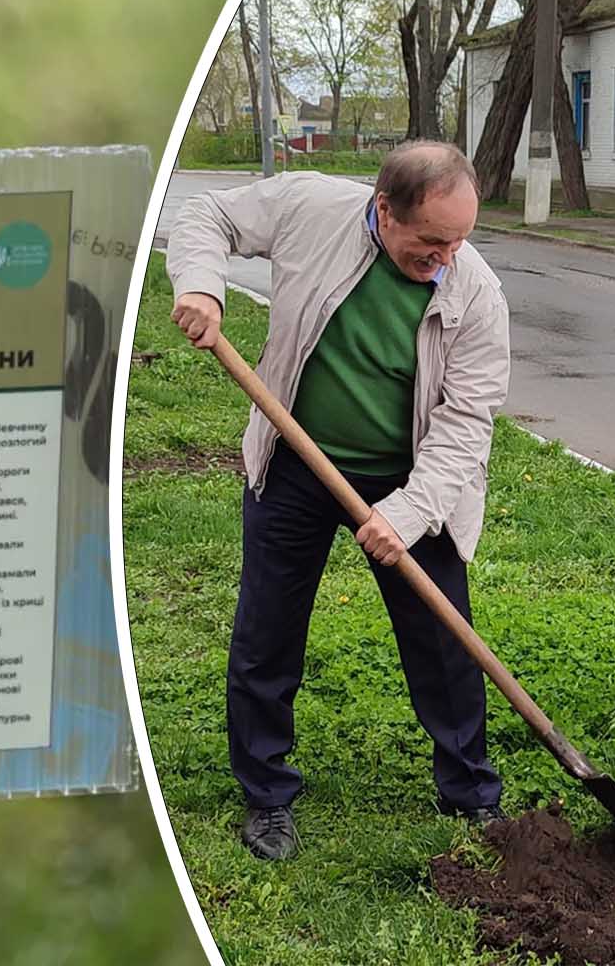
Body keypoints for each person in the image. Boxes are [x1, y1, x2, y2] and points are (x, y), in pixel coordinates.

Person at [166, 141, 509, 861]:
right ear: (384, 208)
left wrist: (406, 515)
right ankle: (267, 794)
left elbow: (465, 425)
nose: (446, 257)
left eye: (459, 241)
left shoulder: (475, 291)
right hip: (298, 461)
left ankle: (470, 791)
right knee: (267, 632)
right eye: (431, 240)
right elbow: (206, 214)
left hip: (411, 475)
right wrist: (202, 286)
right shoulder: (309, 207)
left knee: (444, 640)